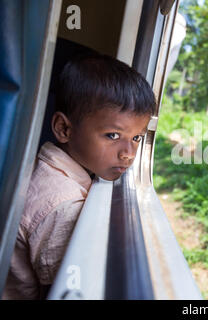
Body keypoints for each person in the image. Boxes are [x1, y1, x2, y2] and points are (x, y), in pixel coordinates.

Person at [2, 54, 156, 299]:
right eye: (113, 136)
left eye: (137, 138)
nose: (128, 154)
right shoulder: (63, 207)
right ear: (64, 129)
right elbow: (60, 291)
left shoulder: (44, 166)